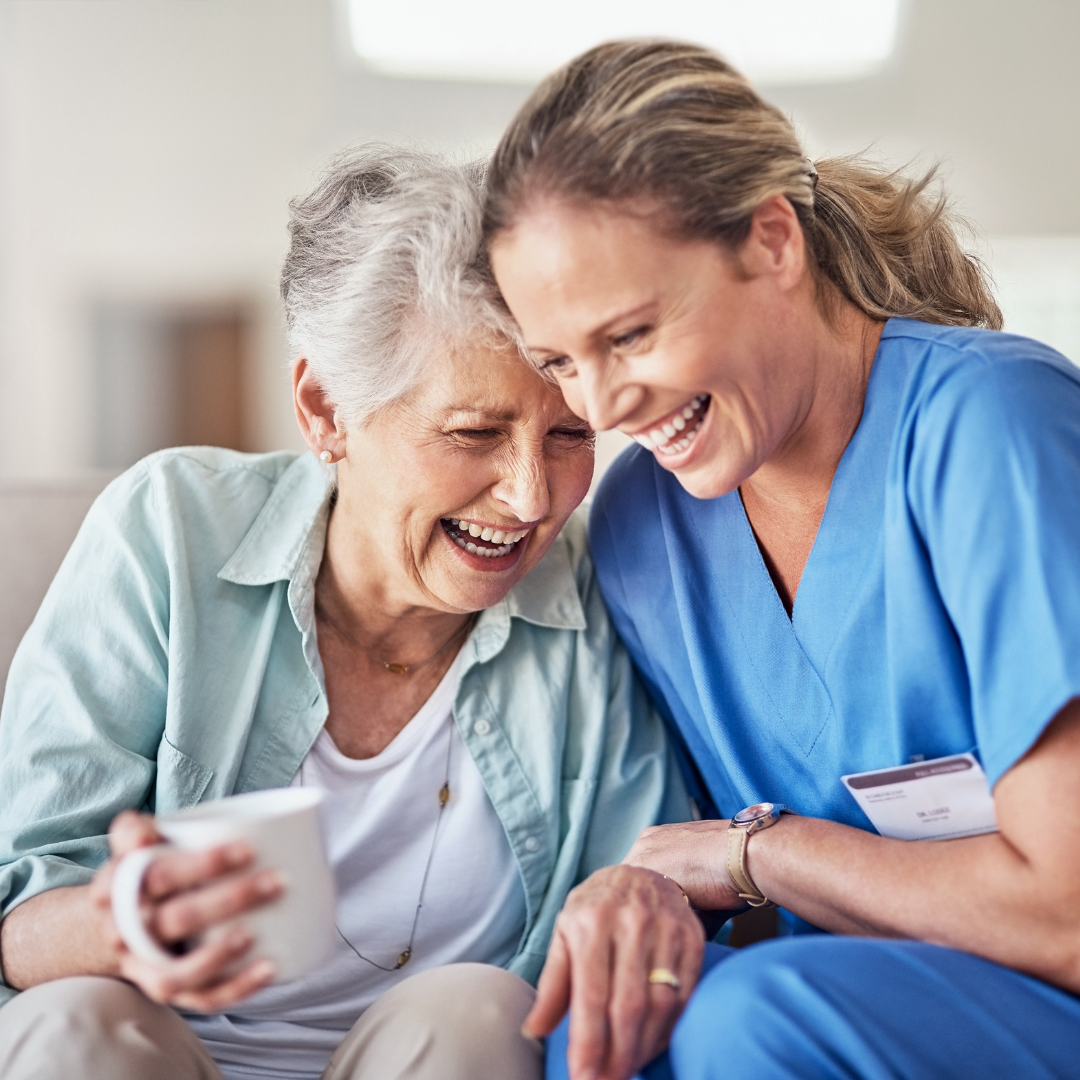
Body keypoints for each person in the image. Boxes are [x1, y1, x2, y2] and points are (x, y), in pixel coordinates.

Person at [0, 146, 689, 1080]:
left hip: (439, 1058)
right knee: (72, 1022)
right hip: (161, 1050)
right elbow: (15, 912)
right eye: (474, 433)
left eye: (570, 433)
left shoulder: (604, 590)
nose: (531, 497)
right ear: (325, 410)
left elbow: (643, 882)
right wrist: (118, 920)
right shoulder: (166, 531)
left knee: (482, 1009)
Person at [483, 38, 1080, 1080]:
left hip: (1043, 991)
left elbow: (1066, 910)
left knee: (749, 1019)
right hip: (847, 994)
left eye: (629, 335)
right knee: (606, 1022)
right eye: (559, 362)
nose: (603, 406)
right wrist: (645, 894)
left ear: (771, 243)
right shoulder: (642, 526)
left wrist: (760, 852)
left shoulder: (992, 425)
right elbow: (694, 864)